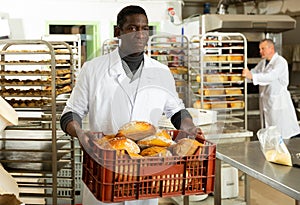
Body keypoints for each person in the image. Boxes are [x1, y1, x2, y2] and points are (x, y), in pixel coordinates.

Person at [60, 5, 203, 205]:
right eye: (132, 28)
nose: (140, 34)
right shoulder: (93, 69)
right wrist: (80, 132)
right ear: (117, 32)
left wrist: (187, 125)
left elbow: (176, 109)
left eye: (144, 28)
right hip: (104, 172)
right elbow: (71, 112)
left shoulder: (160, 72)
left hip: (145, 175)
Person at [242, 38, 300, 139]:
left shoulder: (280, 62)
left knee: (282, 137)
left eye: (263, 49)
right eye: (260, 49)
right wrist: (240, 78)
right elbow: (254, 73)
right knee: (270, 137)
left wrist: (251, 76)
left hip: (278, 104)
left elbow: (270, 77)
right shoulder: (263, 63)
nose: (260, 51)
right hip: (267, 104)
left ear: (271, 48)